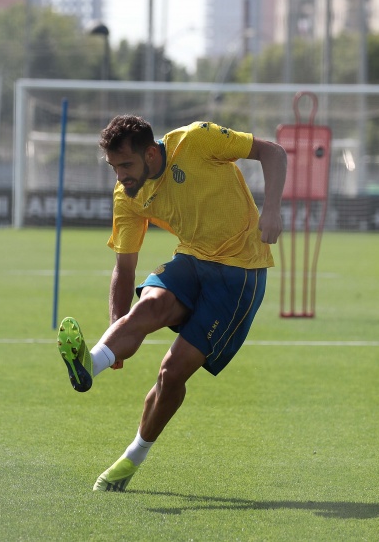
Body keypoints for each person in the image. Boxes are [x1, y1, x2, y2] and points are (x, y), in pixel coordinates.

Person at [57, 115, 286, 492]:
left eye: (126, 165)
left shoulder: (197, 140)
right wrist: (116, 336)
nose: (120, 177)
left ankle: (132, 458)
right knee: (147, 308)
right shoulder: (127, 195)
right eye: (114, 168)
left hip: (240, 274)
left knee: (170, 373)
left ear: (151, 153)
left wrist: (272, 208)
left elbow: (273, 152)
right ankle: (90, 363)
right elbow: (124, 268)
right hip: (192, 259)